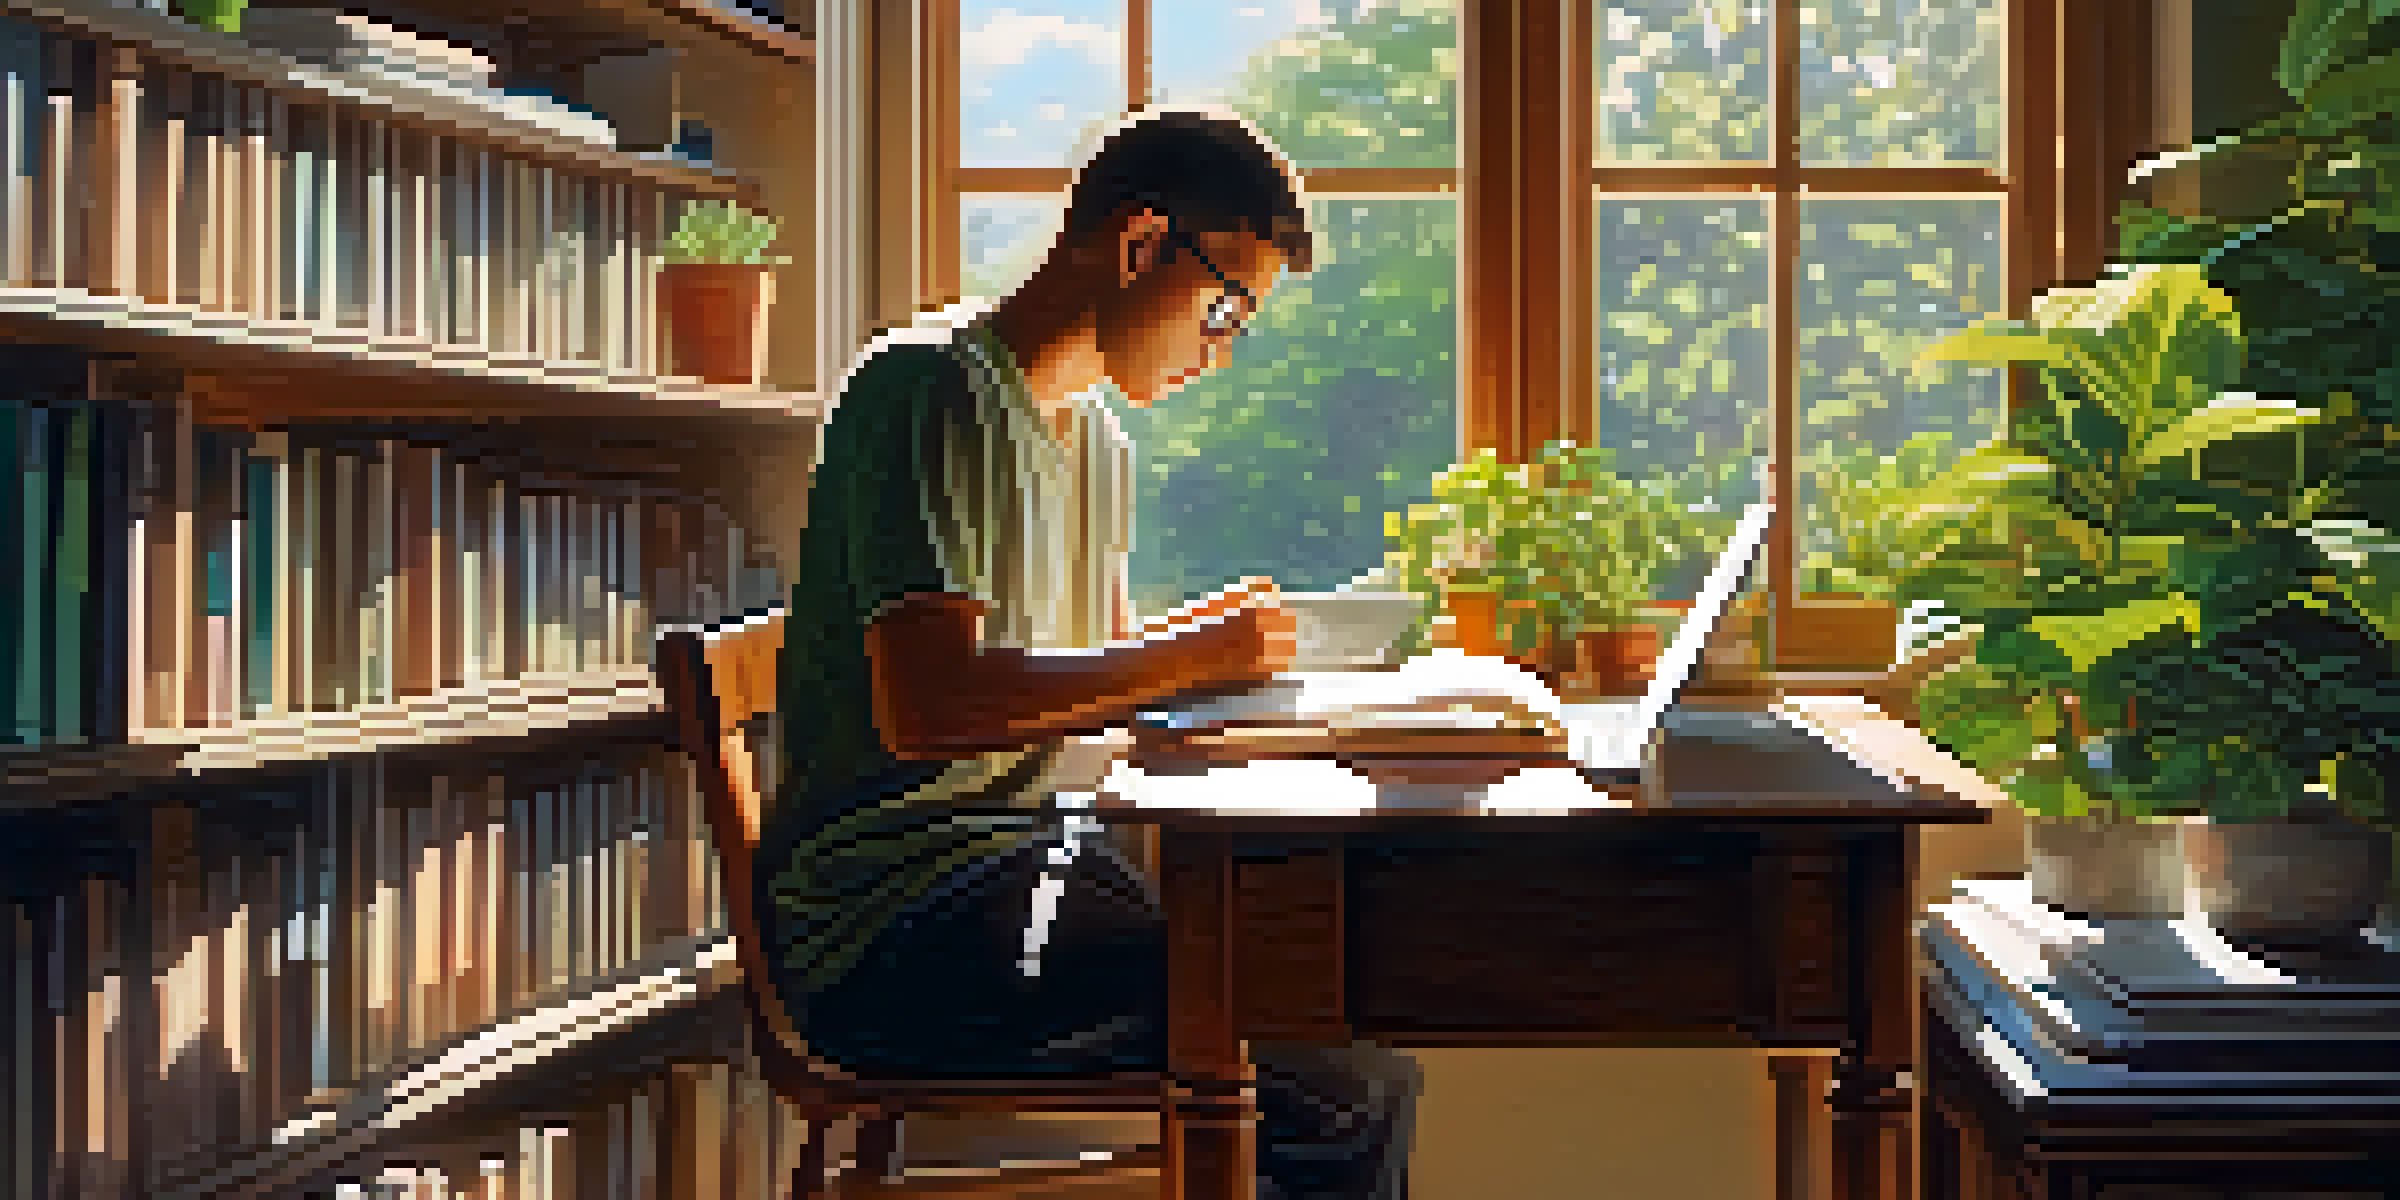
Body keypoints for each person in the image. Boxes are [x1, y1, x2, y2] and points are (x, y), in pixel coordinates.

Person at [760, 107, 1422, 1199]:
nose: (1221, 349)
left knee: (1331, 1012)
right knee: (1333, 1073)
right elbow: (928, 708)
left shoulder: (1094, 436)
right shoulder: (931, 388)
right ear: (1136, 243)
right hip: (895, 923)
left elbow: (1089, 687)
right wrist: (1183, 658)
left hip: (1019, 865)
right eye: (1223, 306)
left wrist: (1210, 661)